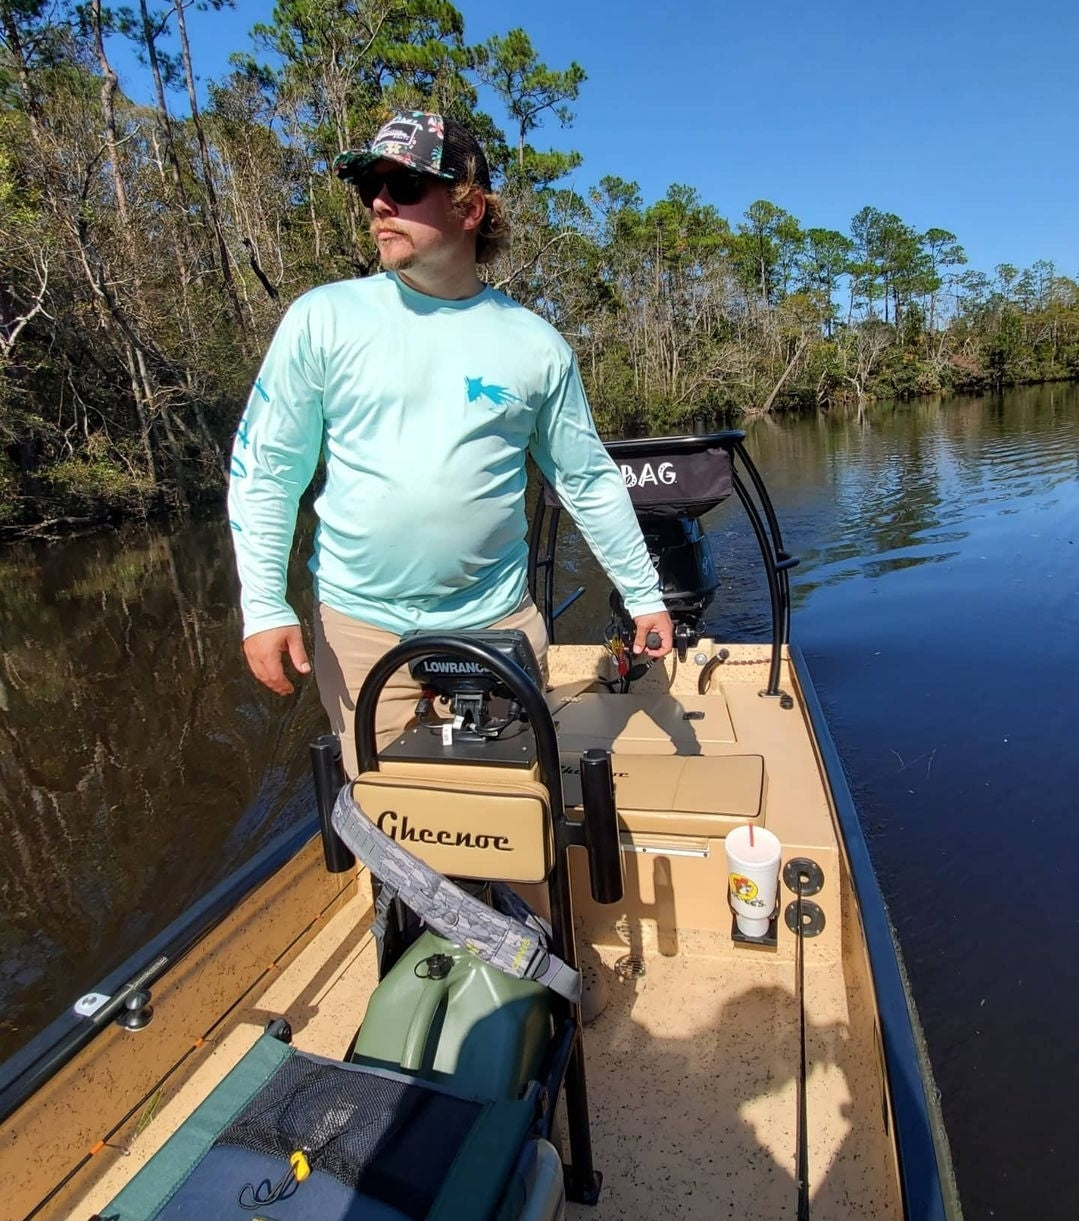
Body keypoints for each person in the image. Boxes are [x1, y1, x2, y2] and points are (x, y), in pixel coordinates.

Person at [228, 109, 673, 778]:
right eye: (369, 188)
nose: (380, 203)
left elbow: (586, 479)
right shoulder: (323, 318)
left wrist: (643, 595)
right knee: (391, 818)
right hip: (359, 628)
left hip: (496, 623)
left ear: (471, 209)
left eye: (405, 187)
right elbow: (267, 470)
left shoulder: (535, 345)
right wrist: (264, 603)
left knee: (509, 816)